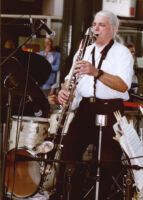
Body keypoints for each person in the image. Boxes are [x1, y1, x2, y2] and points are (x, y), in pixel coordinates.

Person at [56, 10, 134, 200]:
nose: (95, 28)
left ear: (113, 29)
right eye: (94, 24)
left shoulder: (122, 53)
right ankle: (68, 195)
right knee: (68, 155)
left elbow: (123, 85)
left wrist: (96, 72)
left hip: (110, 109)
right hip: (85, 109)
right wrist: (65, 91)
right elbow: (69, 80)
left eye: (101, 25)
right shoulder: (85, 50)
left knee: (107, 163)